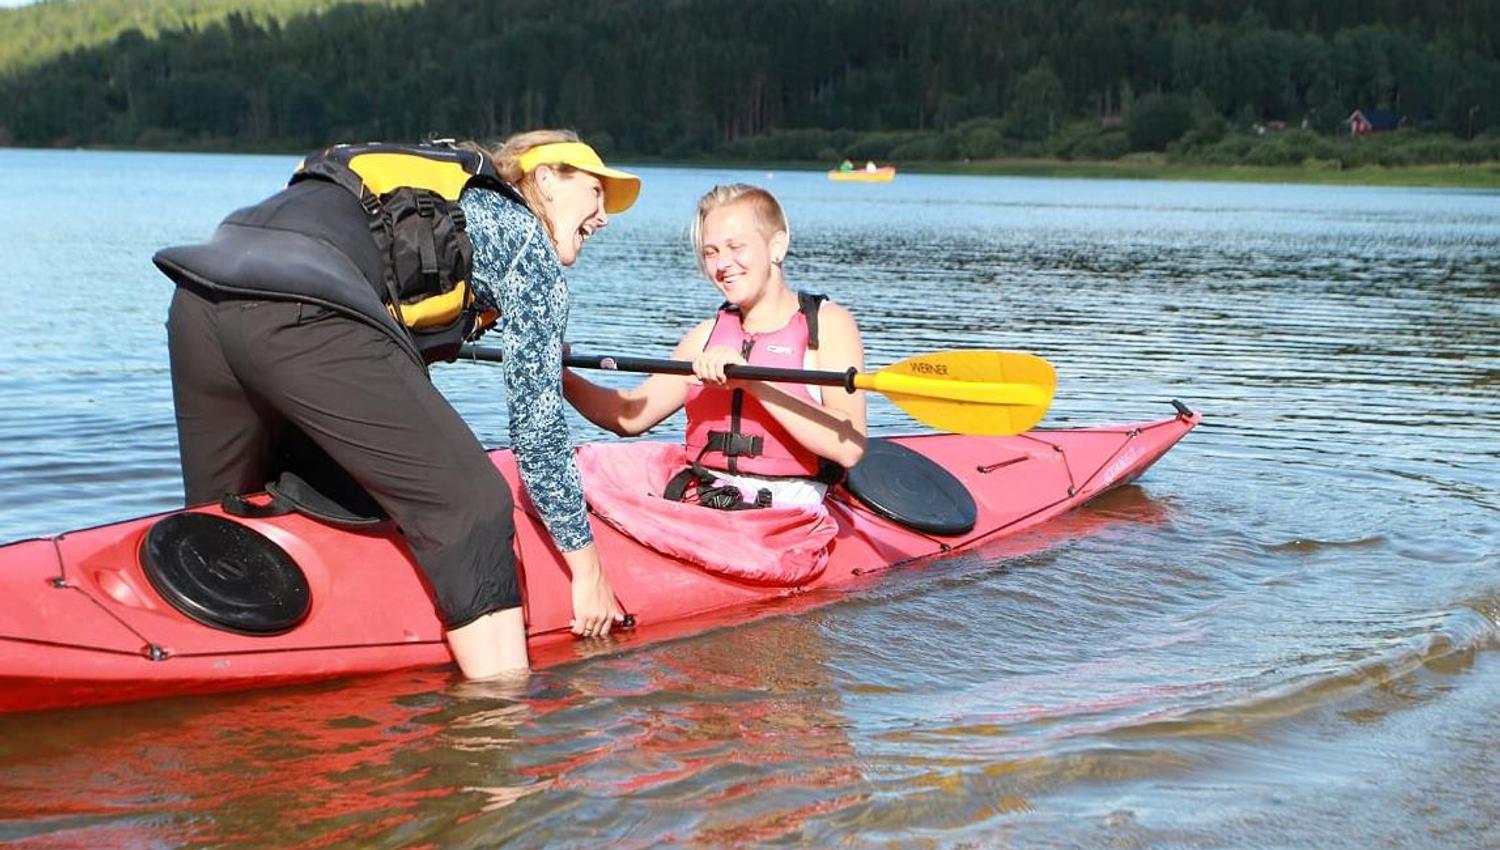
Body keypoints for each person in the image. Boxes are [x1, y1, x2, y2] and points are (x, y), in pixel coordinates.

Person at [152, 130, 636, 680]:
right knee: (472, 504)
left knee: (228, 521)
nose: (603, 216)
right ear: (546, 178)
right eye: (597, 193)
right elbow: (538, 427)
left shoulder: (448, 200)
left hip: (200, 296)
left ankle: (197, 679)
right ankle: (496, 730)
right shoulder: (527, 241)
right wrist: (588, 568)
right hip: (301, 310)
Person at [563, 183, 866, 509]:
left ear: (776, 246)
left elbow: (849, 447)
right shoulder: (705, 337)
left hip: (789, 511)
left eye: (736, 247)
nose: (723, 264)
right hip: (706, 499)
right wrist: (560, 376)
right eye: (711, 252)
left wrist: (753, 382)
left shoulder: (828, 325)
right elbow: (630, 416)